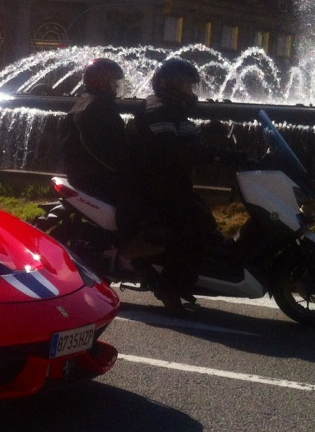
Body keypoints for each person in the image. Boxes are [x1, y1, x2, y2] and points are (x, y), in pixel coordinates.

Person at [127, 57, 220, 315]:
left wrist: (229, 154)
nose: (191, 93)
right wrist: (204, 153)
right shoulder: (158, 111)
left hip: (169, 183)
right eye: (187, 87)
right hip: (155, 187)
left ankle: (183, 278)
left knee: (206, 223)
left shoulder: (172, 110)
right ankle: (168, 286)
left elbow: (192, 143)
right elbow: (172, 149)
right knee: (193, 228)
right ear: (171, 86)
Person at [58, 58, 138, 235]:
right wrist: (128, 168)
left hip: (82, 173)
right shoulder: (97, 108)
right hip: (94, 176)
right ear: (100, 81)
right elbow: (103, 151)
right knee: (139, 203)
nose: (116, 87)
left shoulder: (87, 102)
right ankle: (129, 246)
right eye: (113, 82)